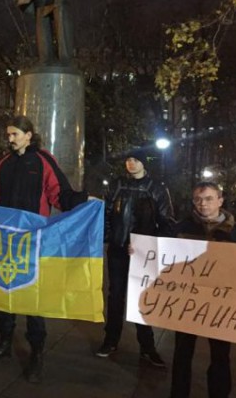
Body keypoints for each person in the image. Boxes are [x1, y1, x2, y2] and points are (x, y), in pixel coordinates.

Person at [0, 115, 87, 383]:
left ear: (29, 135)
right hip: (5, 240)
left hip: (32, 240)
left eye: (15, 134)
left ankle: (36, 352)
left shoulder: (43, 161)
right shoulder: (4, 164)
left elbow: (59, 194)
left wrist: (84, 200)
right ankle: (4, 343)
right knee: (4, 295)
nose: (10, 138)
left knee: (32, 298)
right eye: (9, 134)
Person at [170, 182, 236, 398]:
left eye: (208, 198)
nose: (202, 204)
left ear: (220, 201)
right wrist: (139, 251)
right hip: (187, 303)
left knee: (220, 356)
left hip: (221, 306)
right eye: (197, 199)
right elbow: (159, 255)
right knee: (182, 354)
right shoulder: (181, 229)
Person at [96, 149, 174, 366]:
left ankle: (147, 346)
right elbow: (107, 214)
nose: (130, 163)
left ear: (144, 162)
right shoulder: (117, 184)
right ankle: (110, 340)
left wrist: (147, 244)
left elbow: (166, 221)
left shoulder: (156, 188)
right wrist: (112, 238)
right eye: (128, 159)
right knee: (115, 296)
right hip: (118, 251)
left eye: (135, 159)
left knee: (142, 297)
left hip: (143, 254)